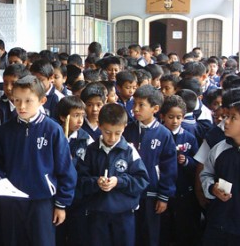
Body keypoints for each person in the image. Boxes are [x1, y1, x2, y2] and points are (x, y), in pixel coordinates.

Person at [0, 75, 77, 246]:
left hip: (41, 203)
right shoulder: (4, 131)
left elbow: (66, 170)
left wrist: (61, 204)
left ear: (42, 100)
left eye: (28, 100)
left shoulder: (53, 130)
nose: (21, 106)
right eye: (17, 100)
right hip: (10, 202)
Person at [78, 103, 149, 246]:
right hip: (97, 212)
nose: (112, 137)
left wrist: (119, 181)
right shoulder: (90, 150)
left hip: (123, 213)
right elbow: (79, 180)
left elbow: (142, 180)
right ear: (99, 126)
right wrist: (96, 182)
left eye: (118, 133)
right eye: (107, 132)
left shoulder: (129, 151)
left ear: (124, 127)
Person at [123, 85, 177, 246]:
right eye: (134, 104)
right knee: (131, 234)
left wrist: (164, 196)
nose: (135, 109)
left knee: (150, 235)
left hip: (152, 194)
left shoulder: (163, 134)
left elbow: (169, 168)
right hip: (130, 192)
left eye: (141, 105)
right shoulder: (128, 130)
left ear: (155, 108)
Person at [159, 95, 200, 246]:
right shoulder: (158, 135)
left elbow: (197, 163)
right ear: (162, 116)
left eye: (179, 117)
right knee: (164, 225)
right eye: (170, 117)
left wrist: (186, 161)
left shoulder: (189, 137)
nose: (175, 121)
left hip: (182, 188)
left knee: (183, 225)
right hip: (162, 188)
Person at [200, 99, 240, 246]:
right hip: (219, 222)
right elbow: (206, 174)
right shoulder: (219, 149)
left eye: (233, 118)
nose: (226, 122)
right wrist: (212, 188)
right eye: (226, 116)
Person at [55, 95, 93, 246]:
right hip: (57, 195)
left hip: (78, 197)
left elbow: (88, 167)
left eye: (82, 116)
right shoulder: (55, 135)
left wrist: (72, 162)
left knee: (77, 235)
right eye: (76, 116)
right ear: (63, 117)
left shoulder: (86, 139)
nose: (80, 121)